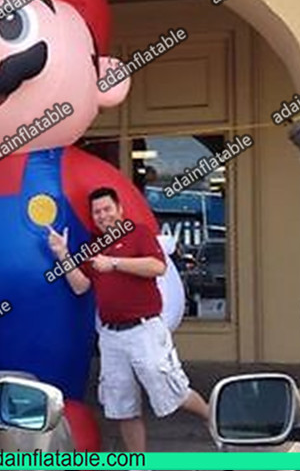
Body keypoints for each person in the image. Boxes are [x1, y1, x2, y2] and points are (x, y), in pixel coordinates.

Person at [48, 186, 209, 452]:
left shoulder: (138, 233)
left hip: (145, 330)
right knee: (123, 407)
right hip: (111, 336)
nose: (103, 216)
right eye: (97, 212)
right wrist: (62, 253)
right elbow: (80, 286)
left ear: (120, 209)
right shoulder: (93, 246)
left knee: (174, 391)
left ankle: (212, 418)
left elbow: (157, 266)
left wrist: (114, 263)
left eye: (107, 209)